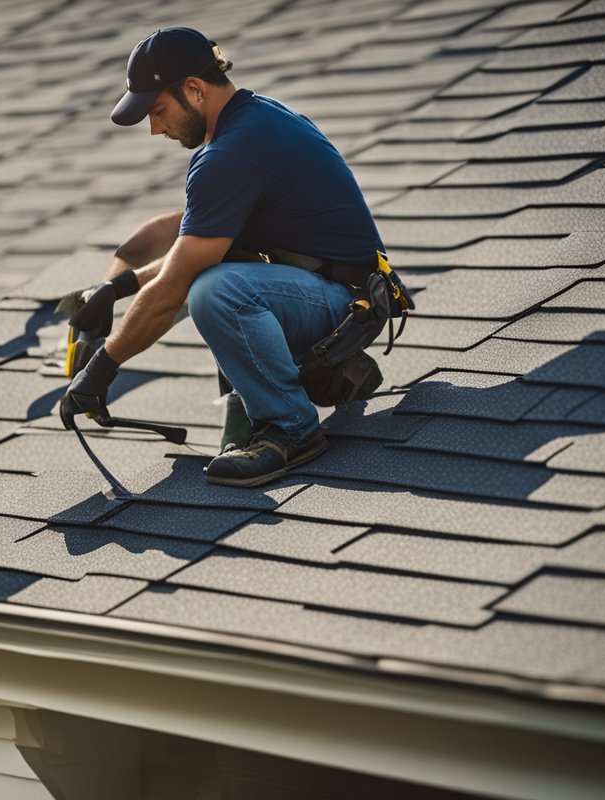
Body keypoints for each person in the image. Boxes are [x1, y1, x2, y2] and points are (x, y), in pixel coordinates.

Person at [61, 27, 390, 487]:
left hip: (342, 308)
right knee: (214, 276)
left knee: (215, 292)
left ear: (193, 90)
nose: (156, 129)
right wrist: (116, 289)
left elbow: (179, 281)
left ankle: (290, 428)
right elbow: (196, 247)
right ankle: (265, 412)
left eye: (159, 111)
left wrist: (100, 369)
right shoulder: (256, 117)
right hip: (343, 293)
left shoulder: (230, 154)